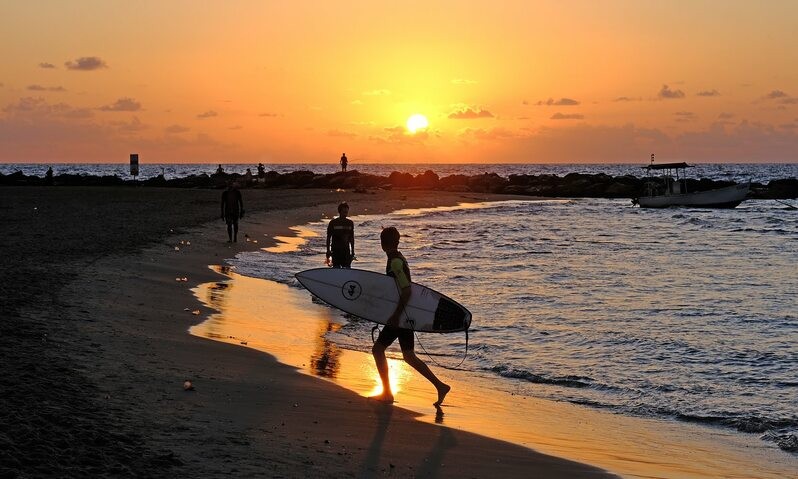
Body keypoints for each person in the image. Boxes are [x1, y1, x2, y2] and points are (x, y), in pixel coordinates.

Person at [371, 226, 450, 406]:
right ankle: (440, 386)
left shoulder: (395, 262)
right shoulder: (399, 258)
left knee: (378, 350)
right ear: (397, 242)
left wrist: (396, 316)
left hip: (401, 316)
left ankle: (387, 394)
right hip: (406, 315)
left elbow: (406, 290)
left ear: (382, 244)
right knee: (409, 356)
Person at [325, 202, 354, 267]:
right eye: (344, 212)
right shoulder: (333, 223)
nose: (345, 214)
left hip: (346, 251)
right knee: (336, 269)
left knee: (347, 270)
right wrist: (328, 251)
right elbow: (328, 237)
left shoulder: (350, 223)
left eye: (346, 212)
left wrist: (353, 252)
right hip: (335, 251)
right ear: (339, 212)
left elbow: (352, 238)